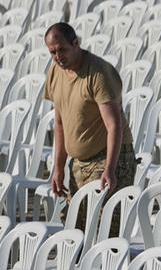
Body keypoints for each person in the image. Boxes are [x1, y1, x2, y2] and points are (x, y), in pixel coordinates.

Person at [44, 22, 136, 207]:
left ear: (75, 43)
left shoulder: (98, 74)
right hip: (79, 162)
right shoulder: (55, 71)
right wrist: (58, 167)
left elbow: (113, 125)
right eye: (53, 52)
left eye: (62, 50)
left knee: (105, 226)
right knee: (77, 226)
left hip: (109, 157)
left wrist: (110, 168)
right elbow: (60, 122)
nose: (58, 57)